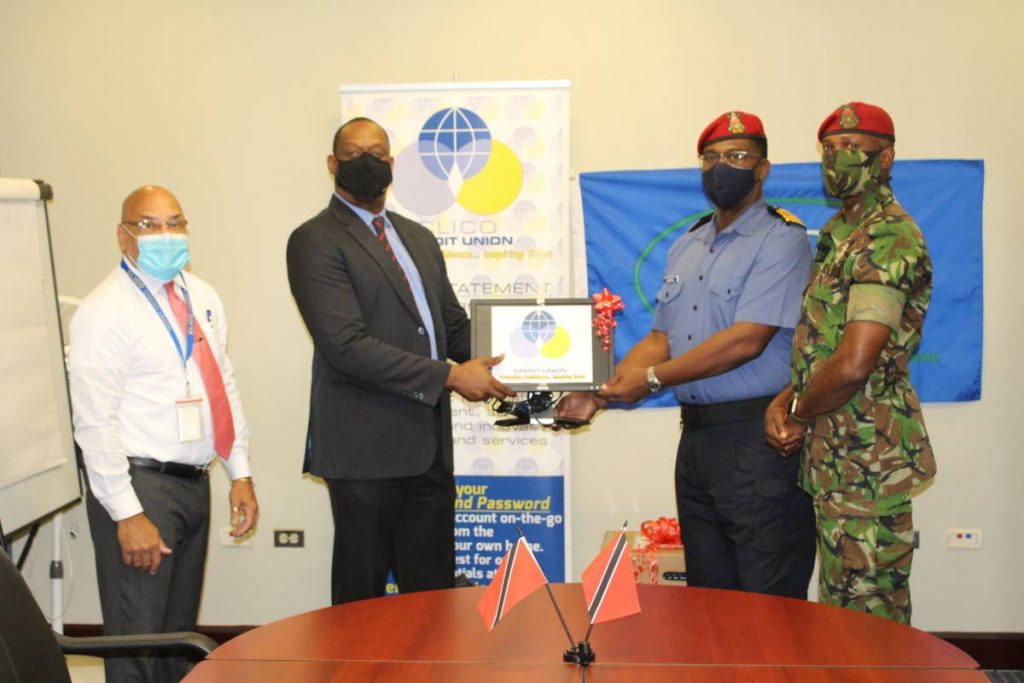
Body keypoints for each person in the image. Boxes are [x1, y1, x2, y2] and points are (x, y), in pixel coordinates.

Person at [558, 112, 816, 598]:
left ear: (762, 170)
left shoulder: (782, 240)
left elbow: (747, 340)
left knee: (768, 603)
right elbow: (661, 338)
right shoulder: (687, 244)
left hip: (758, 442)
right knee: (709, 598)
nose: (723, 167)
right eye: (712, 158)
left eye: (738, 157)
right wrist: (600, 395)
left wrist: (651, 380)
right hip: (697, 445)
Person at [286, 117, 513, 606]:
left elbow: (451, 328)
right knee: (361, 602)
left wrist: (534, 352)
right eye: (353, 154)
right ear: (332, 165)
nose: (367, 161)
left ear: (392, 162)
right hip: (364, 453)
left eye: (377, 152)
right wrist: (450, 376)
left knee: (431, 600)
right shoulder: (316, 240)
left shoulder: (418, 238)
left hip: (428, 451)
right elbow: (345, 345)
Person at [70, 185, 258, 683]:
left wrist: (239, 472)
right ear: (123, 236)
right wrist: (127, 513)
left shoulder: (202, 295)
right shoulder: (104, 310)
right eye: (149, 225)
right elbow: (94, 423)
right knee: (138, 641)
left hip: (195, 482)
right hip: (140, 488)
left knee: (176, 641)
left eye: (175, 223)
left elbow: (224, 383)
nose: (165, 235)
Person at [765, 102, 935, 624]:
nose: (839, 160)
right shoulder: (841, 232)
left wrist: (795, 410)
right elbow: (822, 341)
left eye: (854, 149)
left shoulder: (887, 238)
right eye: (830, 150)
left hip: (869, 461)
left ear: (885, 159)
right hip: (836, 457)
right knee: (841, 608)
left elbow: (856, 361)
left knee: (870, 619)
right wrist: (786, 394)